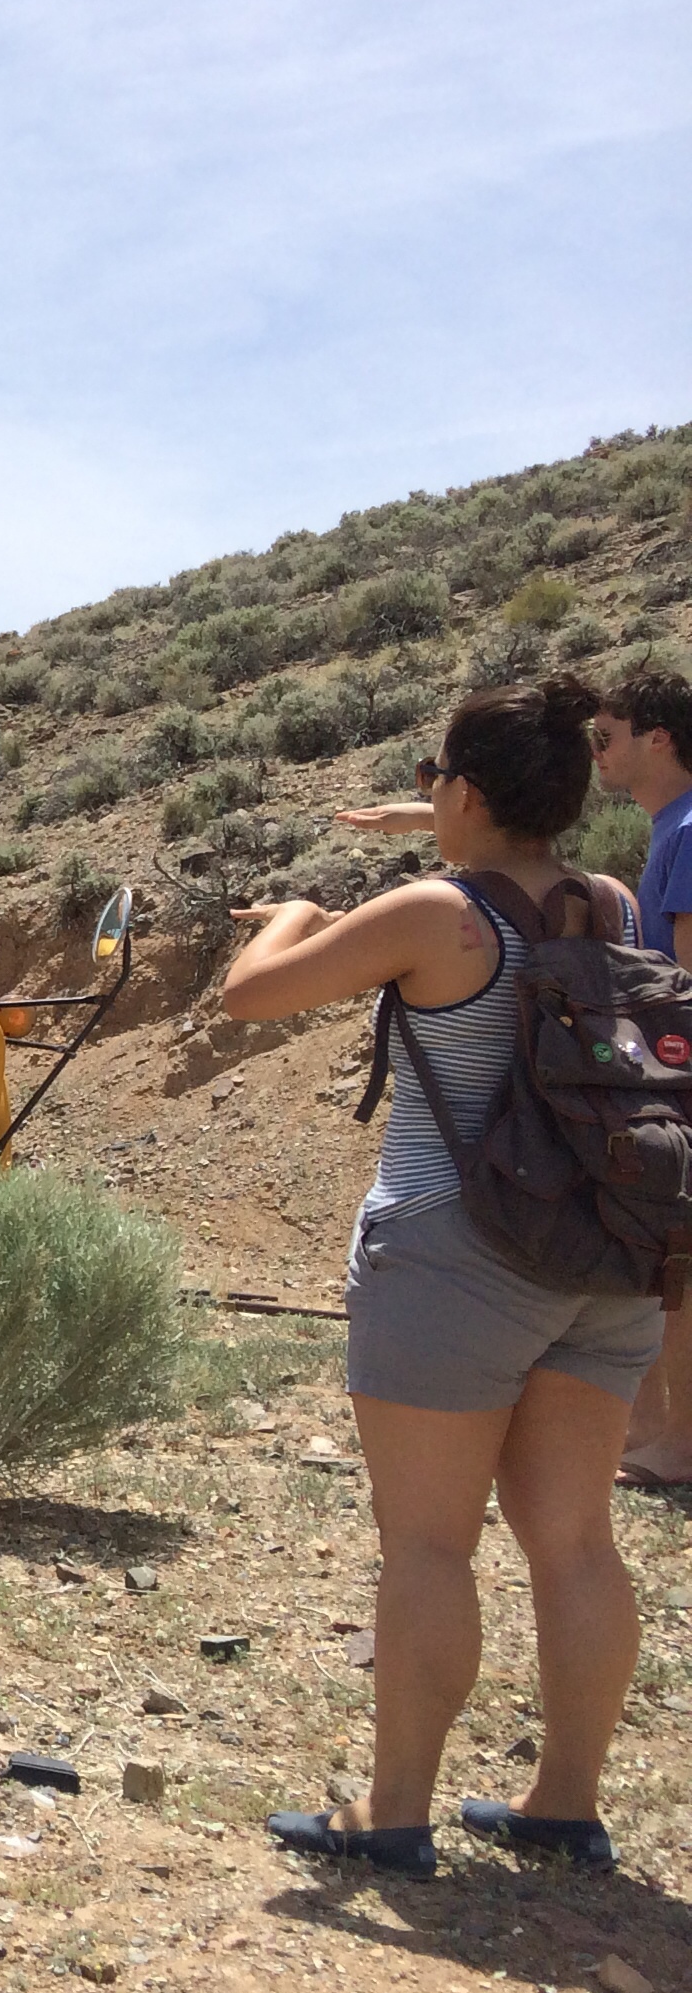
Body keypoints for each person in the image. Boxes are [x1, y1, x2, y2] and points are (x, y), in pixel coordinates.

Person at [236, 676, 653, 1876]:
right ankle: (565, 1804)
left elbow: (252, 996)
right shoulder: (608, 900)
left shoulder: (435, 915)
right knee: (574, 1542)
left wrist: (298, 911)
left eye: (439, 783)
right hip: (602, 1255)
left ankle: (396, 1815)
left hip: (456, 1256)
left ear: (462, 790)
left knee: (428, 1544)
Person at [593, 667, 692, 1487]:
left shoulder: (688, 831)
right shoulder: (674, 828)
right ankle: (662, 1429)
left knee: (681, 1265)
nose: (598, 754)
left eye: (607, 737)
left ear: (656, 737)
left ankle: (680, 1444)